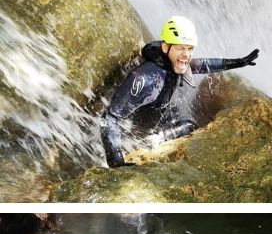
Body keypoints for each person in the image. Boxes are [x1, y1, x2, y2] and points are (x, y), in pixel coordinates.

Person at [100, 16, 259, 167]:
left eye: (190, 49)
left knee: (185, 122)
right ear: (165, 47)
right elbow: (110, 118)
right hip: (138, 140)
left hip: (153, 120)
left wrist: (239, 62)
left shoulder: (172, 63)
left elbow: (203, 64)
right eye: (181, 48)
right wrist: (117, 162)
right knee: (189, 127)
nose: (186, 55)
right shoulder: (146, 78)